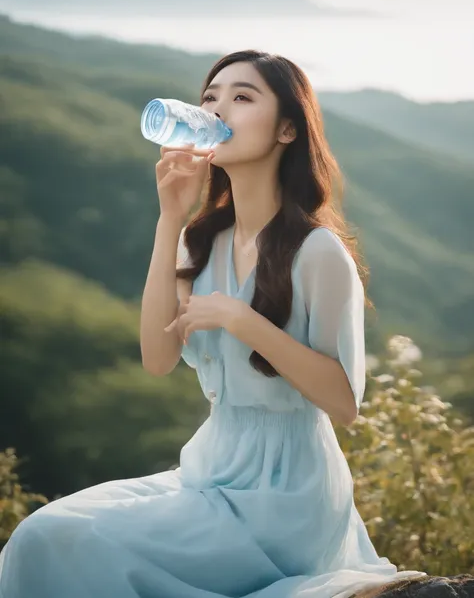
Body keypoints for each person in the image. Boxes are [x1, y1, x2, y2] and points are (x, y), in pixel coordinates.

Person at [0, 50, 424, 598]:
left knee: (65, 545)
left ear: (288, 129)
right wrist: (171, 216)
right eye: (210, 97)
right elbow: (158, 358)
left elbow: (344, 403)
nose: (218, 109)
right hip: (208, 471)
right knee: (41, 533)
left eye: (242, 97)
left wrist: (242, 319)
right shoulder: (200, 240)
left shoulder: (318, 252)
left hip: (287, 497)